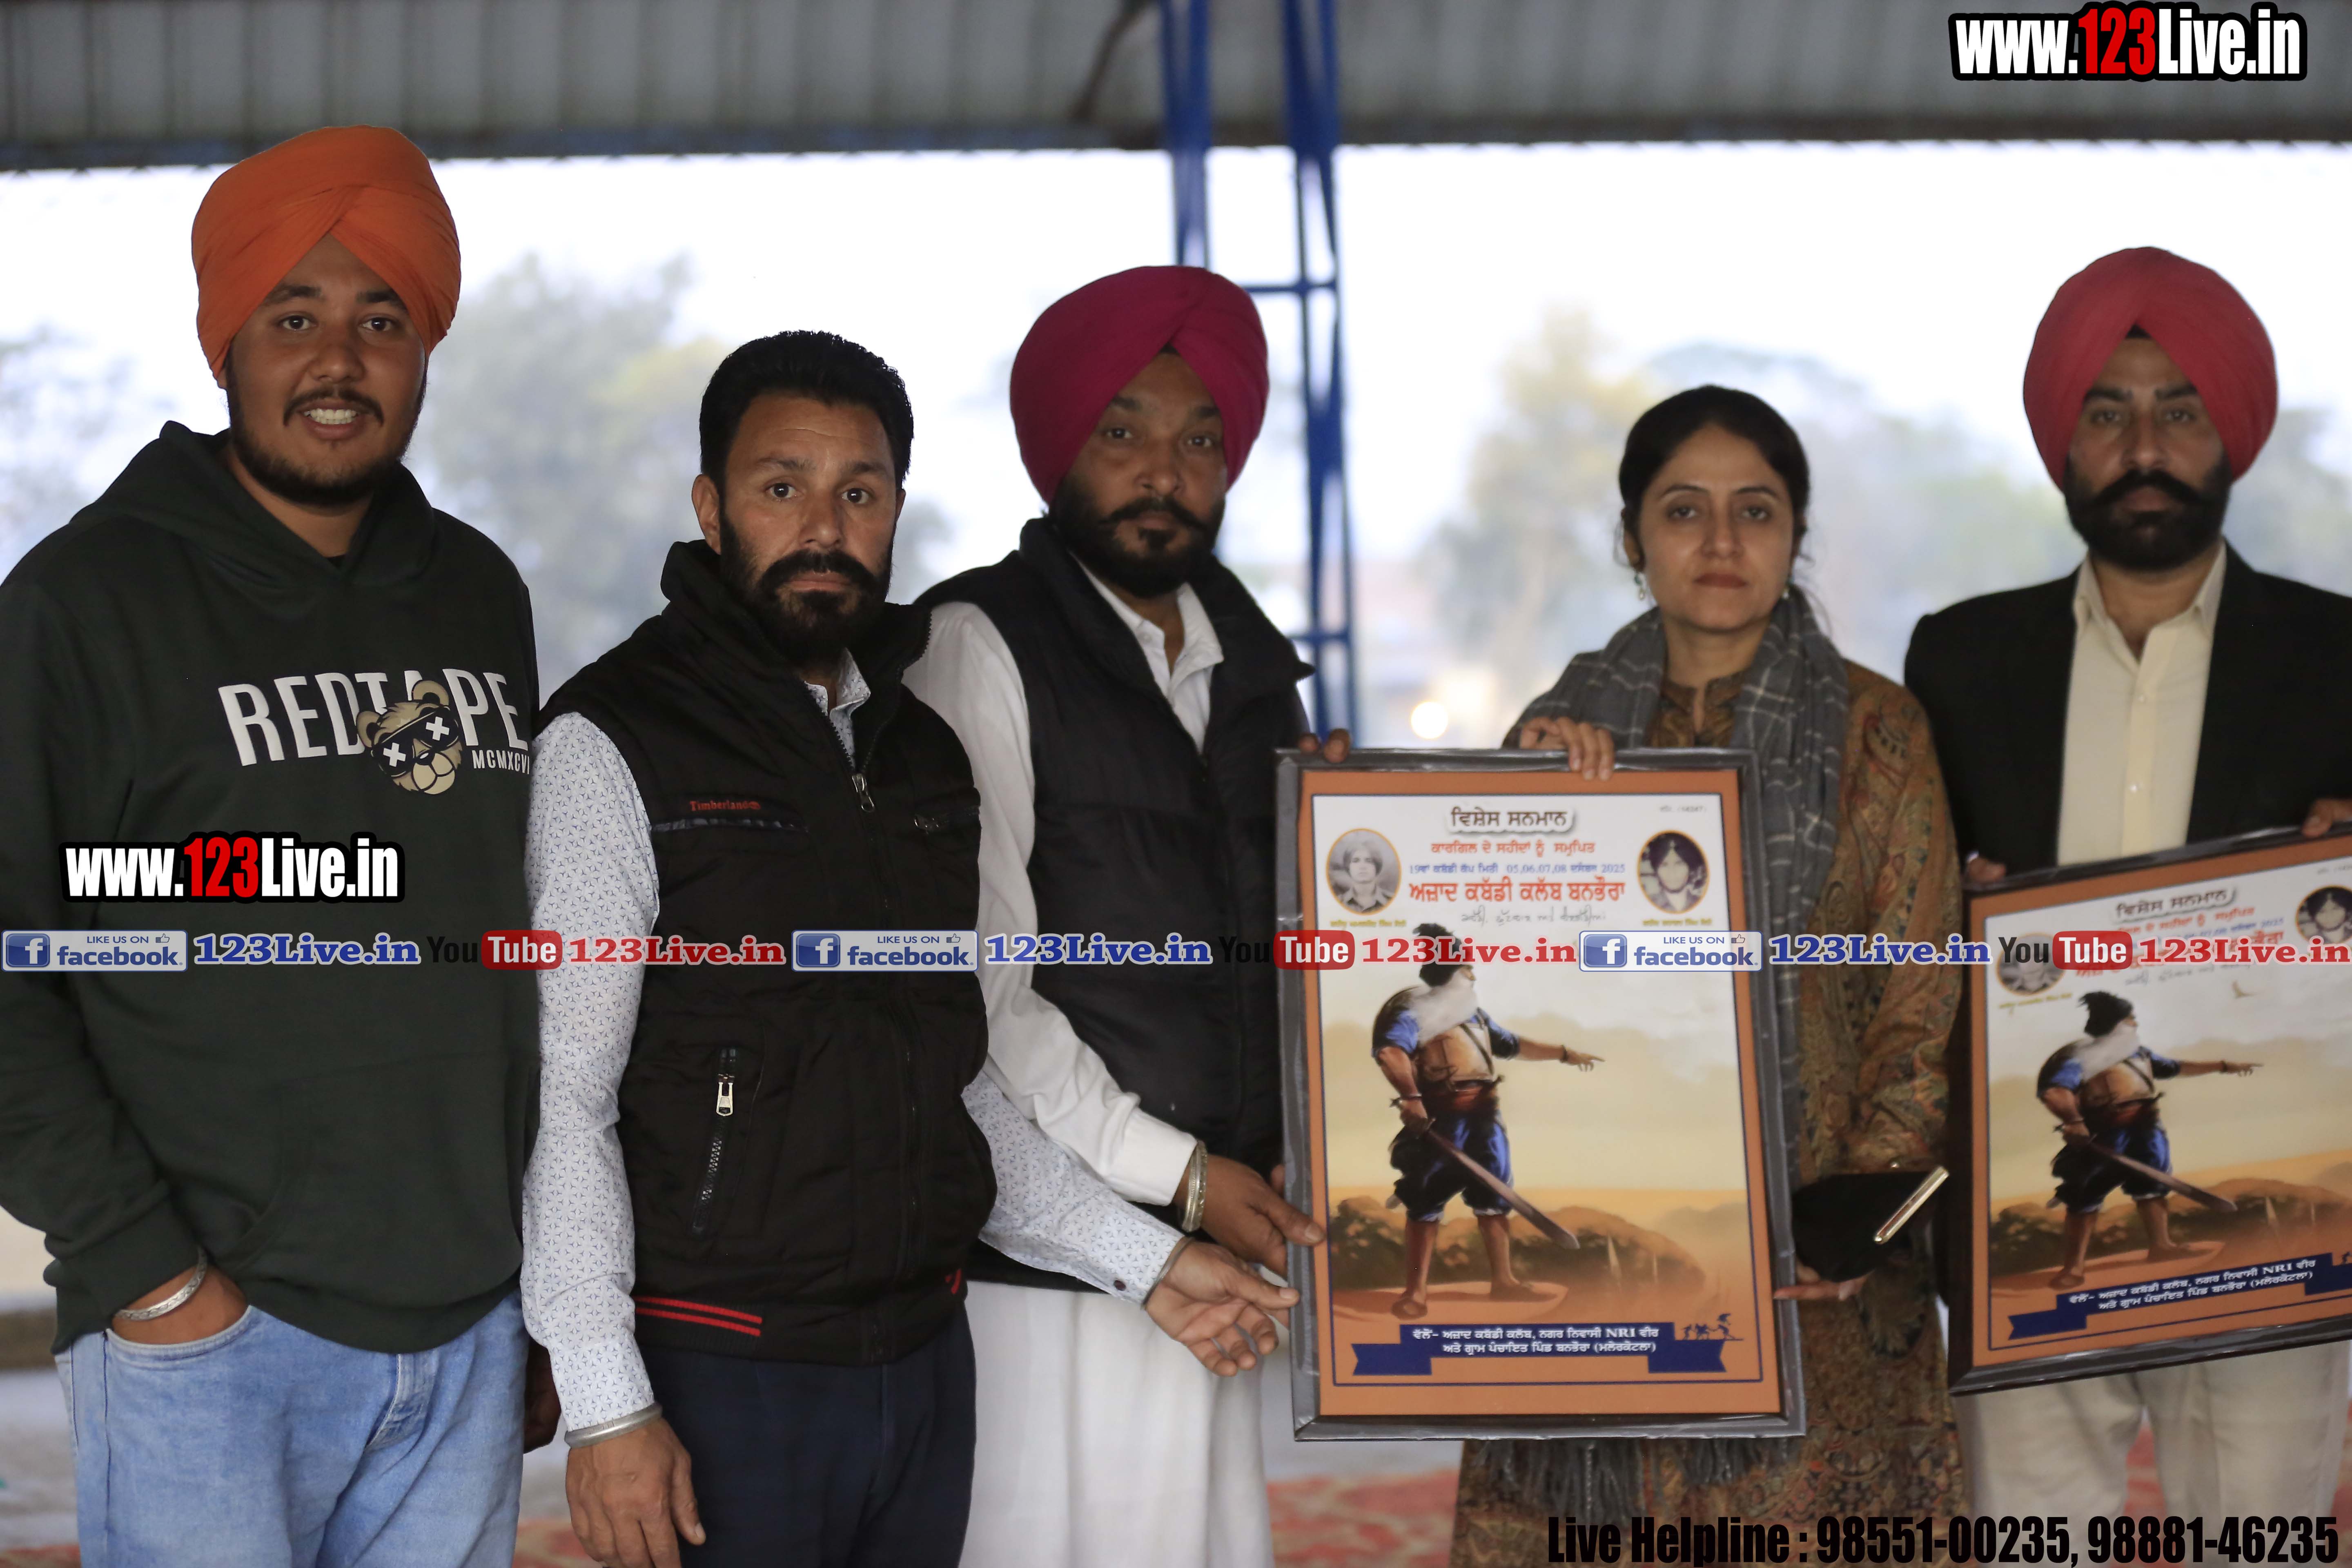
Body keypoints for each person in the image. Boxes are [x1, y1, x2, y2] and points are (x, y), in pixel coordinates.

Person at [522, 330, 1296, 1568]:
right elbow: (565, 1096)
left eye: (860, 493)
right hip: (724, 1364)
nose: (823, 528)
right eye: (782, 487)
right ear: (711, 508)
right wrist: (608, 1402)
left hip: (925, 1362)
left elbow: (956, 1083)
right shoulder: (613, 741)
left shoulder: (918, 758)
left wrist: (1149, 1262)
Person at [0, 127, 548, 1566]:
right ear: (226, 344)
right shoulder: (83, 603)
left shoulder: (479, 593)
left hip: (470, 1324)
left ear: (424, 351)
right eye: (293, 318)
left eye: (383, 321)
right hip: (212, 1337)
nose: (339, 361)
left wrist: (539, 1287)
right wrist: (150, 1271)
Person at [1450, 385, 1964, 1554]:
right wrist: (1530, 798)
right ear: (1631, 538)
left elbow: (1919, 987)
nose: (1721, 541)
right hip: (1602, 1249)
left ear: (1795, 534)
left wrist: (1857, 1218)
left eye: (1756, 510)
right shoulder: (1558, 732)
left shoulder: (1877, 732)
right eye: (1684, 510)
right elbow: (1495, 970)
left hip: (1814, 1265)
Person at [1904, 247, 2352, 1528]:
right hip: (2022, 1210)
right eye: (2107, 412)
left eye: (2180, 409)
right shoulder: (1960, 658)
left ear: (2233, 435)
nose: (2145, 446)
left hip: (2276, 1237)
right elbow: (1904, 917)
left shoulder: (2340, 655)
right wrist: (1952, 917)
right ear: (2063, 442)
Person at [904, 266, 1334, 1568]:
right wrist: (1173, 1171)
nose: (1165, 470)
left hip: (1225, 1231)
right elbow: (982, 990)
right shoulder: (978, 643)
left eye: (1201, 439)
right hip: (1050, 1255)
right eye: (1123, 430)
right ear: (1060, 451)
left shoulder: (1256, 669)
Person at [1372, 924, 1602, 1319]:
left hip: (1484, 1117)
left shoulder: (1474, 1016)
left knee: (1495, 1198)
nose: (1474, 975)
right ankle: (1416, 1294)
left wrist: (1565, 1053)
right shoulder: (1411, 1013)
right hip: (1440, 1118)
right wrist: (1412, 1098)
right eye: (1467, 969)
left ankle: (1504, 1282)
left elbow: (1513, 1045)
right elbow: (1391, 1053)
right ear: (1451, 972)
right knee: (1425, 1200)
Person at [2036, 991, 2258, 1289]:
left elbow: (2175, 1068)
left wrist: (2223, 1065)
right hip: (2105, 1134)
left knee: (2152, 1187)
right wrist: (2074, 1122)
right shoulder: (2078, 1058)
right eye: (2130, 1020)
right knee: (2085, 1196)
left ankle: (2162, 1247)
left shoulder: (2138, 1054)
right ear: (2116, 1024)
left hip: (2146, 1129)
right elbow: (2055, 1091)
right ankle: (2073, 1268)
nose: (2135, 1024)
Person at [1332, 835, 1395, 913]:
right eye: (1356, 861)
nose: (1362, 867)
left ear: (1377, 866)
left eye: (1369, 861)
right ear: (1348, 867)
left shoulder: (1392, 901)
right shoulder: (1337, 903)